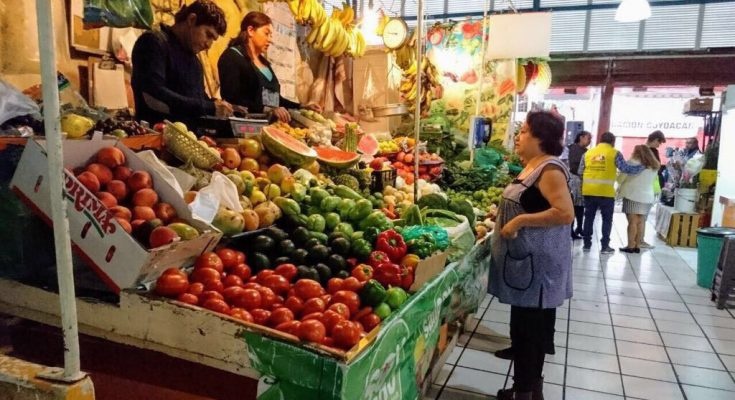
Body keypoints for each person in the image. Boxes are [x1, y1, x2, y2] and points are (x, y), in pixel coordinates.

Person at [488, 111, 574, 400]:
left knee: (530, 335)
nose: (518, 136)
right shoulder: (533, 165)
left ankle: (525, 392)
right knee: (524, 330)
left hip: (538, 270)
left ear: (540, 138)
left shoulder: (549, 169)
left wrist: (518, 222)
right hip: (526, 267)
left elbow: (564, 213)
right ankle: (528, 389)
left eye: (524, 131)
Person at [131, 1, 236, 127]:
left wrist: (225, 107)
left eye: (212, 40)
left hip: (190, 140)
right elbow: (154, 95)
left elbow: (198, 100)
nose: (208, 45)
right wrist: (209, 107)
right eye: (208, 35)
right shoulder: (153, 43)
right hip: (155, 138)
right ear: (192, 20)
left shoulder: (195, 62)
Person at [218, 12, 321, 123]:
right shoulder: (232, 57)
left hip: (270, 127)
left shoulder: (265, 63)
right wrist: (267, 110)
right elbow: (231, 98)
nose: (270, 40)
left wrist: (301, 107)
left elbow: (275, 100)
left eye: (271, 35)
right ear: (250, 30)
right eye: (266, 33)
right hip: (244, 127)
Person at [579, 132, 644, 254]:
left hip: (589, 192)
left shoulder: (588, 153)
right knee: (606, 220)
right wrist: (642, 167)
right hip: (606, 193)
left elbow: (580, 171)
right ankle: (604, 247)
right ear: (612, 142)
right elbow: (626, 168)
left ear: (600, 140)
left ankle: (586, 245)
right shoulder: (614, 153)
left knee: (588, 218)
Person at [618, 145, 660, 253]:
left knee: (632, 221)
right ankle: (638, 245)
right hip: (647, 197)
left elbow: (621, 178)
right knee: (641, 221)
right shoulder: (654, 166)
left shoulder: (632, 163)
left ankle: (630, 245)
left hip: (632, 195)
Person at [641, 130, 666, 249]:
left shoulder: (649, 151)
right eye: (659, 142)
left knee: (642, 216)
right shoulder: (645, 151)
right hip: (646, 186)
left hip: (649, 186)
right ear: (655, 139)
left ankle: (638, 240)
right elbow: (654, 168)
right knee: (642, 215)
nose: (659, 145)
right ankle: (639, 240)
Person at [566, 131, 592, 239]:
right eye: (588, 138)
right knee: (574, 206)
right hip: (575, 180)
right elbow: (574, 167)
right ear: (581, 137)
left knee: (580, 206)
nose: (589, 141)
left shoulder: (586, 151)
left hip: (582, 181)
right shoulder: (573, 148)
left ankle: (579, 228)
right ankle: (571, 230)